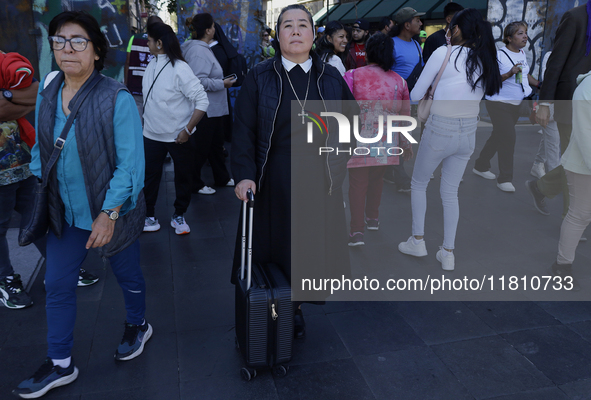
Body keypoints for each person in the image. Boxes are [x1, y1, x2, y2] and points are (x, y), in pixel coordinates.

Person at [14, 11, 148, 398]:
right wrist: (42, 180)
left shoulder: (116, 98)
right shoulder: (50, 89)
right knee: (56, 284)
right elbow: (42, 144)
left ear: (96, 50)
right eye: (59, 40)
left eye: (77, 41)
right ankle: (59, 363)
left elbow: (130, 167)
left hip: (110, 212)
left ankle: (138, 324)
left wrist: (108, 214)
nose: (66, 48)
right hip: (65, 211)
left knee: (127, 276)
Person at [231, 4, 355, 339]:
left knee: (311, 247)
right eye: (288, 25)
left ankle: (294, 306)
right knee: (277, 246)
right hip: (274, 175)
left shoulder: (330, 77)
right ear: (278, 35)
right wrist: (244, 174)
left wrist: (338, 163)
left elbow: (349, 125)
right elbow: (242, 130)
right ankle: (272, 301)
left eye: (304, 25)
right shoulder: (260, 76)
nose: (296, 31)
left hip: (320, 177)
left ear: (314, 35)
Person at [398, 8, 501, 271]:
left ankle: (418, 240)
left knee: (419, 183)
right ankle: (448, 252)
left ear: (455, 29)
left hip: (439, 129)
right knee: (450, 191)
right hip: (469, 131)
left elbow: (415, 94)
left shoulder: (443, 53)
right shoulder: (486, 58)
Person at [0, 51, 99, 308]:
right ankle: (5, 280)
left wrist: (8, 95)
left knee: (39, 217)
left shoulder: (5, 61)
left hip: (22, 161)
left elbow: (37, 92)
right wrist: (17, 100)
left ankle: (60, 267)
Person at [343, 33, 413, 246]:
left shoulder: (352, 76)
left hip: (358, 139)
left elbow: (341, 109)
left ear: (369, 52)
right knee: (377, 180)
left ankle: (356, 232)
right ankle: (372, 218)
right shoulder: (400, 82)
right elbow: (405, 116)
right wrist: (405, 143)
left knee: (357, 184)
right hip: (387, 142)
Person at [142, 22, 209, 234]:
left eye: (149, 39)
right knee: (149, 178)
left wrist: (187, 130)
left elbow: (202, 101)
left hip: (179, 137)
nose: (147, 42)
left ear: (159, 43)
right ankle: (148, 216)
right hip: (151, 135)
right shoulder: (152, 63)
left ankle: (179, 215)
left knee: (183, 177)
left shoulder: (180, 68)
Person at [527, 1, 591, 217]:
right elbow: (556, 62)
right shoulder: (576, 17)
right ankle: (572, 216)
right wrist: (544, 104)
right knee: (574, 162)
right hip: (571, 103)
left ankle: (541, 187)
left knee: (579, 162)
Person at [473, 21, 540, 193]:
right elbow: (491, 80)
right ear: (509, 38)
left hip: (516, 105)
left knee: (498, 136)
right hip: (498, 103)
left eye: (525, 33)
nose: (525, 36)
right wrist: (510, 73)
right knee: (509, 138)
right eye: (520, 33)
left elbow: (525, 75)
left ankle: (480, 165)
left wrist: (539, 84)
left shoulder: (522, 53)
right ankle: (505, 178)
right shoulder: (499, 55)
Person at [182, 13, 235, 196]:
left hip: (213, 108)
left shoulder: (200, 48)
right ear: (207, 30)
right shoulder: (199, 50)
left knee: (215, 146)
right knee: (202, 149)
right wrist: (223, 83)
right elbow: (199, 80)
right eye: (212, 26)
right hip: (206, 108)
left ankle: (222, 177)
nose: (215, 29)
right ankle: (194, 183)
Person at [548, 70, 591, 288]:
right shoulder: (586, 89)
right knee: (580, 214)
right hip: (583, 165)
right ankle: (562, 265)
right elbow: (585, 135)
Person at [384, 7, 425, 193]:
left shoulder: (417, 45)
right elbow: (383, 71)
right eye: (417, 20)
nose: (421, 24)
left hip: (409, 101)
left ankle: (386, 172)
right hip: (393, 100)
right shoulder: (390, 44)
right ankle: (402, 180)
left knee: (399, 137)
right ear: (407, 25)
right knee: (398, 138)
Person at [123, 15, 163, 120]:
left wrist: (126, 83)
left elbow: (128, 61)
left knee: (136, 118)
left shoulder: (134, 38)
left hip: (135, 84)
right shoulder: (160, 41)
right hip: (154, 87)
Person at [530, 49, 560, 180]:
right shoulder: (551, 55)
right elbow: (548, 80)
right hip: (552, 105)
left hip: (570, 105)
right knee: (554, 141)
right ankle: (555, 179)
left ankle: (537, 163)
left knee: (550, 138)